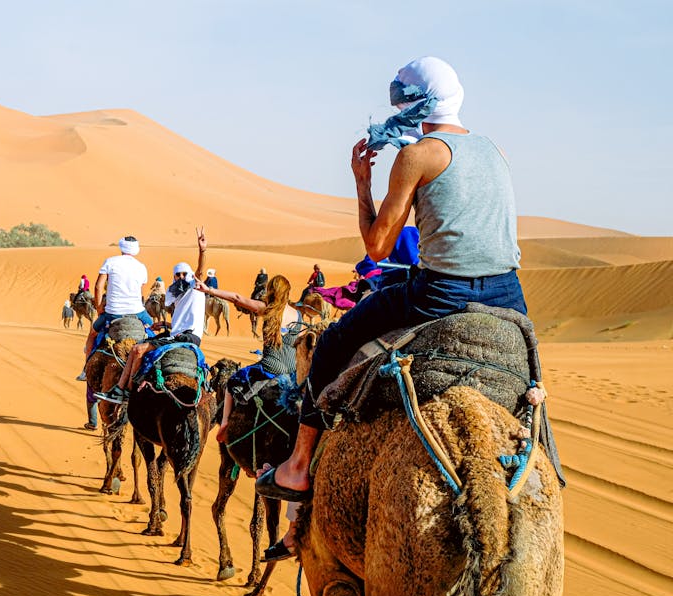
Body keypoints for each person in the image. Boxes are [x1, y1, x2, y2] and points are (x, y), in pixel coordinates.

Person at [256, 56, 529, 559]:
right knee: (529, 381)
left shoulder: (417, 155)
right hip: (509, 296)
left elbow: (377, 247)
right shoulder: (497, 150)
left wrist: (362, 184)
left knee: (333, 342)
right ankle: (544, 462)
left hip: (441, 294)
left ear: (413, 104)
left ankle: (297, 465)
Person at [95, 229, 209, 403]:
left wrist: (202, 250)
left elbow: (200, 271)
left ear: (191, 276)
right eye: (177, 275)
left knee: (137, 350)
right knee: (139, 346)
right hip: (178, 333)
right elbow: (184, 322)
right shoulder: (177, 295)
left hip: (187, 338)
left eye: (184, 274)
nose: (181, 277)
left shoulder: (195, 287)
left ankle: (126, 391)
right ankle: (124, 388)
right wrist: (164, 324)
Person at [199, 281, 307, 441]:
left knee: (232, 383)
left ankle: (224, 424)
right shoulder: (298, 315)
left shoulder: (266, 309)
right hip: (291, 370)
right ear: (288, 292)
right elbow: (301, 344)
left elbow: (237, 298)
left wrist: (209, 290)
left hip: (270, 367)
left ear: (271, 291)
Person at [76, 235, 151, 381]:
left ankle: (86, 370)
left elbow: (98, 287)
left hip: (113, 313)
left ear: (121, 247)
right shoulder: (141, 267)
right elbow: (142, 293)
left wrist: (99, 308)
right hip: (138, 312)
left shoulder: (110, 262)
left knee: (92, 335)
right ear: (136, 249)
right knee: (155, 330)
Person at [250, 268, 269, 335]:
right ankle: (251, 306)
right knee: (253, 295)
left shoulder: (266, 276)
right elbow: (256, 281)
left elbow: (266, 283)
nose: (262, 272)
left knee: (257, 296)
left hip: (263, 289)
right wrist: (257, 284)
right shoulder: (258, 275)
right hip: (258, 289)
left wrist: (261, 285)